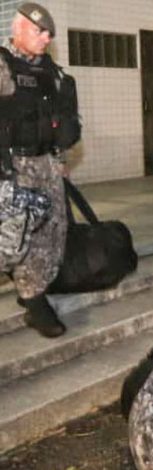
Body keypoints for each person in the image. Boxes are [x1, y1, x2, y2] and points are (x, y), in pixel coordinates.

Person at [0, 3, 79, 338]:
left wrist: (58, 161)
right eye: (39, 31)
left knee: (50, 234)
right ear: (18, 28)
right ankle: (34, 301)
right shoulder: (3, 67)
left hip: (47, 164)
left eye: (49, 33)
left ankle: (35, 293)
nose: (46, 38)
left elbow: (61, 121)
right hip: (13, 167)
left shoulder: (53, 73)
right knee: (13, 239)